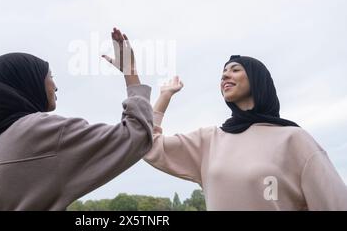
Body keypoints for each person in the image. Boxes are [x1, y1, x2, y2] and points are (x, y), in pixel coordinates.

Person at [0, 28, 153, 210]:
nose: (56, 86)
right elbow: (137, 134)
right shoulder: (38, 132)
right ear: (28, 82)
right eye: (51, 76)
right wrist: (130, 71)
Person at [144, 55, 347, 210]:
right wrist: (164, 97)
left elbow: (335, 204)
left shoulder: (294, 139)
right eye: (223, 72)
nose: (225, 75)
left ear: (257, 79)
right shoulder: (209, 141)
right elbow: (147, 145)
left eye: (235, 70)